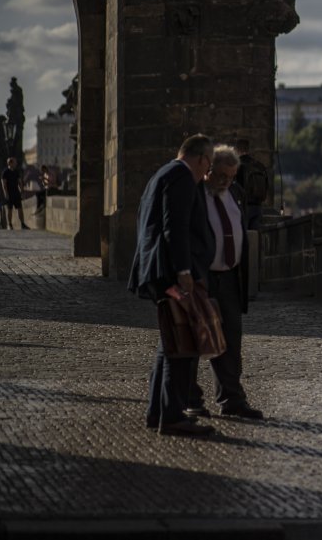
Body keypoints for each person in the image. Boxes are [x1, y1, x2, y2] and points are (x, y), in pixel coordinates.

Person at [128, 134, 216, 437]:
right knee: (181, 345)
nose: (208, 172)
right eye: (209, 164)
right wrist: (183, 271)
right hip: (170, 273)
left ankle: (159, 412)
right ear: (203, 159)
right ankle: (172, 415)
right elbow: (174, 227)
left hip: (157, 270)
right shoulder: (181, 176)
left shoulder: (162, 174)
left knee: (170, 343)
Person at [186, 144, 264, 420]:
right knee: (195, 340)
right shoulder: (194, 194)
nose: (225, 182)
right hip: (203, 278)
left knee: (231, 340)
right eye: (220, 175)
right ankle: (191, 399)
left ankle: (232, 398)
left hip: (230, 278)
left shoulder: (236, 194)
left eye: (230, 177)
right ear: (208, 169)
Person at [233, 138, 268, 230]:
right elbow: (267, 186)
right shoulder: (260, 166)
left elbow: (234, 188)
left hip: (243, 207)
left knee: (243, 238)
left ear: (236, 150)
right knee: (255, 239)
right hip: (258, 207)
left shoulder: (237, 165)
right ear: (248, 149)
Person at [0, 157, 28, 230]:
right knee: (9, 209)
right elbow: (4, 184)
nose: (16, 164)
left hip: (16, 192)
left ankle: (22, 224)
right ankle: (9, 224)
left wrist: (22, 191)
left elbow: (19, 182)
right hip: (9, 193)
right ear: (10, 163)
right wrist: (6, 193)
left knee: (20, 208)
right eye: (14, 162)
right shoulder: (5, 172)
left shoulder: (16, 171)